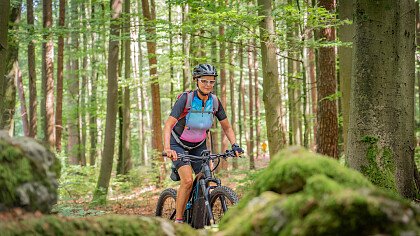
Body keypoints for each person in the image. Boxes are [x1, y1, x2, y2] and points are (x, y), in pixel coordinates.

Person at [163, 64, 243, 224]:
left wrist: (235, 145)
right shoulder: (186, 99)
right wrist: (167, 148)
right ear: (196, 81)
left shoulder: (214, 102)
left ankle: (199, 214)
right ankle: (178, 221)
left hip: (199, 145)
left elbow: (226, 127)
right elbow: (168, 125)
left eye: (211, 82)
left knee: (207, 177)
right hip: (178, 144)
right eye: (204, 81)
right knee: (186, 181)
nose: (208, 85)